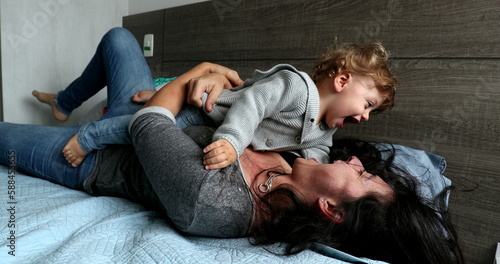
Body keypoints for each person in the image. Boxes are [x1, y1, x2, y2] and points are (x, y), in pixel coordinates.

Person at [2, 27, 463, 264]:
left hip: (103, 158)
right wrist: (207, 89)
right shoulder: (299, 148)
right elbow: (252, 105)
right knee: (120, 38)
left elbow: (146, 126)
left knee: (5, 137)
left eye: (361, 175)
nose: (356, 157)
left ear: (331, 210)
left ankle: (83, 125)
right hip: (169, 112)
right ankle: (63, 101)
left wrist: (199, 71)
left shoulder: (218, 204)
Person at [33, 40, 397, 169]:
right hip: (206, 112)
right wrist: (234, 141)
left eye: (371, 111)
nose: (365, 116)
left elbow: (312, 160)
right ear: (342, 80)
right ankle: (90, 135)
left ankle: (65, 102)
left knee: (157, 130)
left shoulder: (324, 134)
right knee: (150, 129)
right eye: (367, 103)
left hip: (205, 132)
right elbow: (252, 102)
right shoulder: (297, 87)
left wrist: (308, 172)